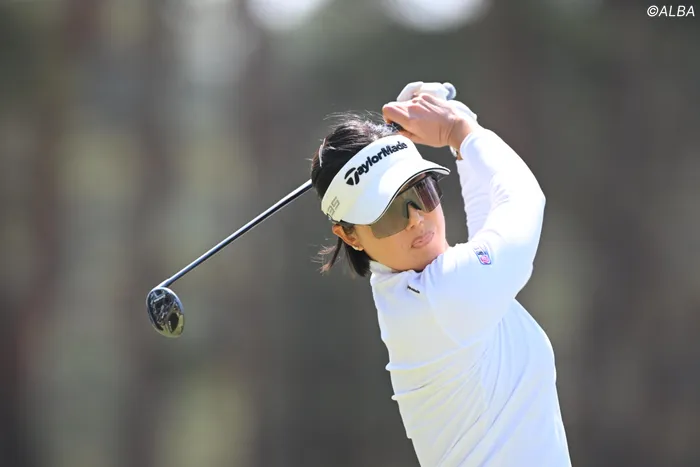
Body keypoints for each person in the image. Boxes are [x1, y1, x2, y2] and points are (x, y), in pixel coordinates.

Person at [310, 82, 571, 467]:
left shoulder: (420, 291)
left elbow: (488, 213)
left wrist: (460, 124)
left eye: (422, 191)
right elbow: (523, 201)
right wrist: (457, 130)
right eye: (388, 213)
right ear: (349, 235)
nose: (417, 219)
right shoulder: (439, 298)